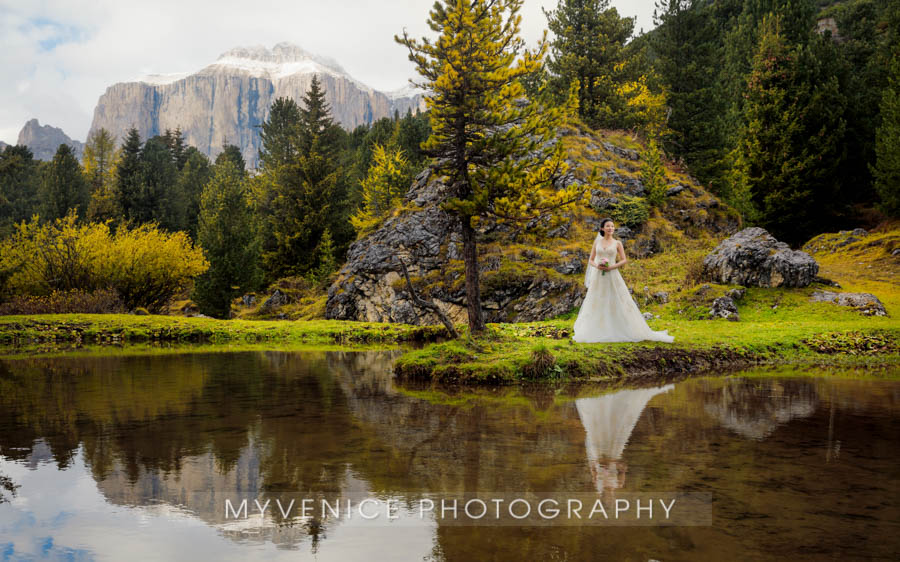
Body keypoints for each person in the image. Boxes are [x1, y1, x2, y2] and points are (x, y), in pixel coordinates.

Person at [572, 218, 674, 343]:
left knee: (615, 297)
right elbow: (591, 260)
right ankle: (598, 328)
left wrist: (611, 266)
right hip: (599, 276)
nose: (610, 228)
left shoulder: (617, 243)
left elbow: (623, 259)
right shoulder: (597, 243)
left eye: (612, 226)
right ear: (602, 228)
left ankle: (619, 327)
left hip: (613, 274)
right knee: (598, 298)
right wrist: (597, 266)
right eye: (608, 226)